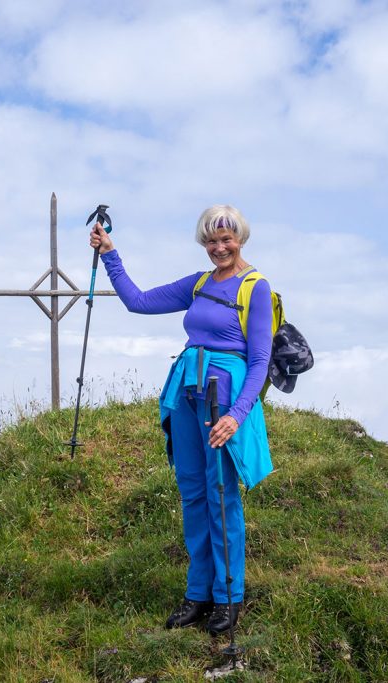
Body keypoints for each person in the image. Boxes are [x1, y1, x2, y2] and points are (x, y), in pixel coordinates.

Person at [89, 204, 274, 636]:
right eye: (211, 240)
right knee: (192, 493)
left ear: (240, 239)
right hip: (187, 391)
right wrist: (109, 253)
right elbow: (137, 302)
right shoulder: (199, 284)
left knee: (221, 495)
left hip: (222, 398)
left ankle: (228, 597)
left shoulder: (256, 288)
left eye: (226, 239)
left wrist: (237, 416)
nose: (219, 247)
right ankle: (198, 593)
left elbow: (260, 361)